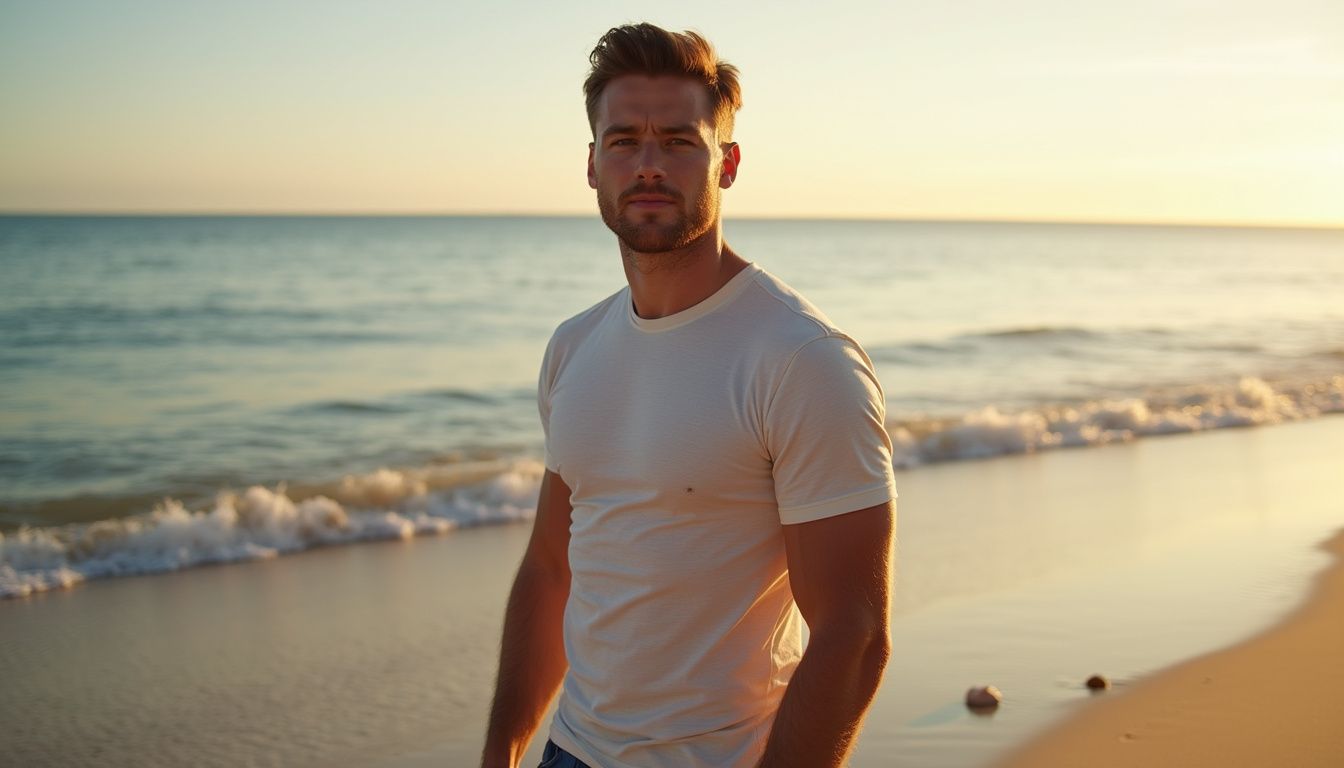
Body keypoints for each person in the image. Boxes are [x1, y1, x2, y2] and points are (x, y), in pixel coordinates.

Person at [482, 22, 897, 768]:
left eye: (678, 141)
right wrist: (501, 750)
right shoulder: (573, 348)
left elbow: (855, 632)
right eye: (623, 142)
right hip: (571, 751)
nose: (648, 165)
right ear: (591, 164)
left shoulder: (801, 359)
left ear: (727, 163)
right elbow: (551, 568)